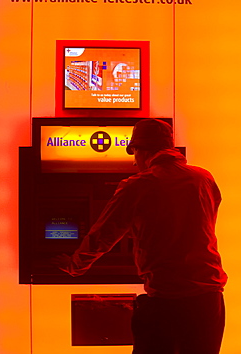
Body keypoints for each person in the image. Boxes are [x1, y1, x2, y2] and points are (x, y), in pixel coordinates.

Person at [52, 118, 227, 354]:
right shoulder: (203, 179)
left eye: (134, 153)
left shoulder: (138, 185)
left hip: (166, 300)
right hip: (209, 301)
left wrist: (75, 266)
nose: (134, 162)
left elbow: (103, 234)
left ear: (141, 150)